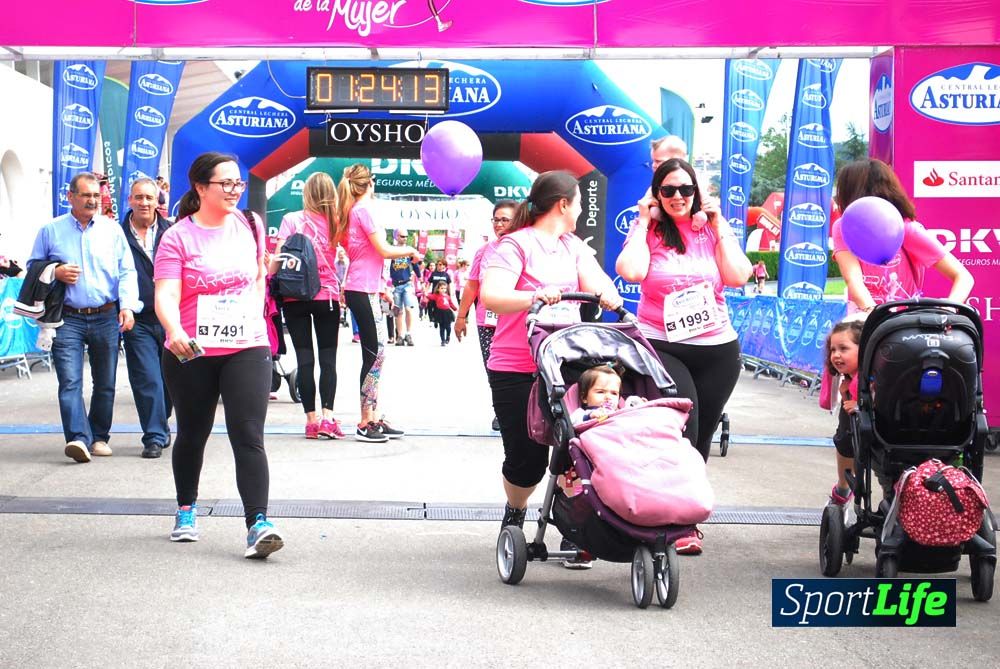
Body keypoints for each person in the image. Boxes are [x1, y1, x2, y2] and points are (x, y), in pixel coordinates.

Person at [480, 170, 623, 569]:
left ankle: (576, 524)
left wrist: (606, 292)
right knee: (526, 461)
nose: (580, 210)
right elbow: (493, 295)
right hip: (516, 364)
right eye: (577, 203)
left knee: (578, 447)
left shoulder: (573, 246)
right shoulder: (514, 245)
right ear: (563, 204)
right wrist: (533, 296)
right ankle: (516, 509)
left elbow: (597, 281)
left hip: (565, 362)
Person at [615, 158, 752, 555]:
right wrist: (643, 219)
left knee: (702, 435)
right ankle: (669, 519)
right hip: (663, 344)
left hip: (717, 349)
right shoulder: (651, 231)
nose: (678, 197)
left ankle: (686, 519)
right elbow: (631, 272)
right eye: (669, 190)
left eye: (686, 190)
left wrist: (718, 222)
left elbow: (737, 276)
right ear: (657, 194)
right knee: (683, 429)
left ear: (697, 194)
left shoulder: (709, 231)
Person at [154, 152, 283, 559]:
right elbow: (166, 293)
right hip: (191, 348)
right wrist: (174, 330)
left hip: (247, 344)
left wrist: (254, 316)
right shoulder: (177, 236)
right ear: (200, 187)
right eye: (224, 183)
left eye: (238, 183)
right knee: (193, 432)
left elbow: (259, 278)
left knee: (248, 433)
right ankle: (186, 510)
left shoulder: (250, 224)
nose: (233, 190)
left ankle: (258, 524)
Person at [28, 172, 140, 463]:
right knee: (70, 382)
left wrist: (127, 306)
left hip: (106, 315)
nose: (92, 200)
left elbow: (127, 271)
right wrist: (56, 271)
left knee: (105, 382)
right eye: (86, 195)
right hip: (66, 318)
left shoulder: (112, 230)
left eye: (96, 196)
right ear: (70, 197)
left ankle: (99, 436)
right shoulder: (50, 231)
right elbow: (32, 267)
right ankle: (78, 438)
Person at [338, 163, 421, 442]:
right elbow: (383, 250)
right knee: (375, 353)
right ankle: (365, 420)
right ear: (370, 183)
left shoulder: (354, 211)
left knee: (376, 353)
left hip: (366, 288)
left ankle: (372, 415)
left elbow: (368, 254)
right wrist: (410, 249)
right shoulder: (363, 210)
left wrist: (383, 287)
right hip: (361, 288)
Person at [832, 159, 974, 313]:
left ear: (851, 192)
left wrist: (949, 309)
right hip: (863, 321)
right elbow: (853, 279)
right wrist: (874, 315)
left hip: (903, 326)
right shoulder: (843, 227)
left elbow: (963, 276)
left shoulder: (905, 229)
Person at [269, 172, 346, 441]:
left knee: (304, 359)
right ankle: (328, 417)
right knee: (328, 359)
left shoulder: (291, 220)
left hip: (295, 297)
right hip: (326, 297)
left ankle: (310, 421)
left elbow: (277, 259)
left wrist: (268, 276)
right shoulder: (336, 221)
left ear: (306, 192)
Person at [121, 177, 173, 459]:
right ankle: (153, 435)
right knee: (147, 378)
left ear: (157, 202)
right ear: (130, 200)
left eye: (149, 198)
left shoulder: (172, 231)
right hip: (137, 318)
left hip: (171, 317)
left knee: (170, 380)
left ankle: (161, 424)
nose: (144, 203)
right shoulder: (118, 235)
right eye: (138, 197)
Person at [456, 200, 516, 431]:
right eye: (496, 219)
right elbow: (472, 286)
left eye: (505, 219)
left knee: (518, 369)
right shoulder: (484, 251)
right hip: (487, 321)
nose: (499, 224)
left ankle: (522, 410)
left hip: (514, 321)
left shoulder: (525, 247)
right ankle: (500, 412)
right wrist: (461, 317)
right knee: (493, 368)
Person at [824, 319, 863, 506]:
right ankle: (843, 487)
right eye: (833, 350)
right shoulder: (849, 378)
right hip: (852, 424)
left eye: (843, 349)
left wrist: (861, 404)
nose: (836, 355)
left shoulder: (877, 375)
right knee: (845, 441)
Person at [388, 231, 419, 347]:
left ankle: (408, 334)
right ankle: (399, 336)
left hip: (407, 284)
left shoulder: (409, 250)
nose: (405, 238)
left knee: (409, 308)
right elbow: (387, 266)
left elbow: (415, 264)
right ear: (396, 236)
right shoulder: (391, 250)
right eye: (402, 236)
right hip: (396, 285)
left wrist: (420, 279)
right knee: (398, 311)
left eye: (406, 236)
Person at [427, 280, 457, 345]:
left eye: (445, 288)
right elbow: (430, 296)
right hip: (440, 313)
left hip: (447, 313)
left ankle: (448, 336)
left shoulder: (447, 296)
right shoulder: (436, 295)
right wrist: (425, 293)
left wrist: (455, 308)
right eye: (442, 288)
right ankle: (443, 340)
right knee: (442, 327)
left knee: (448, 327)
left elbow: (451, 303)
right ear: (438, 289)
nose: (443, 290)